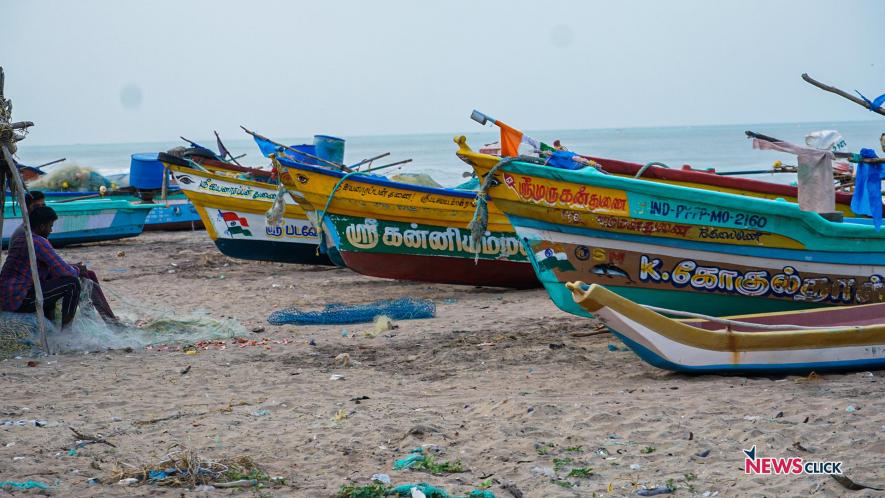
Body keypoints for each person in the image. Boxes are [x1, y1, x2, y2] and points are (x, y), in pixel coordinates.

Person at [0, 206, 117, 326]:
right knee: (72, 283)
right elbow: (65, 272)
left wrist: (73, 268)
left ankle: (96, 320)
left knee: (81, 276)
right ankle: (66, 331)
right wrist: (76, 269)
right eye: (50, 226)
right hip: (20, 298)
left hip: (8, 296)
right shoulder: (38, 242)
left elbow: (53, 266)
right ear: (42, 226)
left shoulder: (22, 238)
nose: (51, 230)